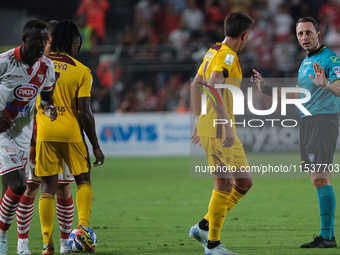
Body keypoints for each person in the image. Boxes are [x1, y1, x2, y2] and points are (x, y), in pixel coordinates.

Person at [252, 17, 340, 248]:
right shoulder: (305, 63)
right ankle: (327, 236)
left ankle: (328, 237)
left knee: (320, 178)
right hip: (308, 122)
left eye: (308, 33)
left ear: (318, 34)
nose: (304, 38)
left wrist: (326, 85)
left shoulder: (329, 58)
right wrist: (267, 89)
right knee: (317, 179)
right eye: (300, 34)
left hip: (323, 121)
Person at [35, 19, 104, 255]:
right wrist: (95, 146)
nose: (78, 48)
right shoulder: (82, 70)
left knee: (47, 187)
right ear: (73, 42)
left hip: (44, 132)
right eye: (78, 44)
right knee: (83, 180)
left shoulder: (38, 65)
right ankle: (82, 229)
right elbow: (85, 113)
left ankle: (47, 245)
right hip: (71, 132)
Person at [190, 12, 254, 255]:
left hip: (219, 126)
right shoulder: (227, 56)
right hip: (219, 129)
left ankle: (204, 225)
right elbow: (213, 83)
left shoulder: (213, 51)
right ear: (244, 35)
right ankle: (213, 246)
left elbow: (196, 84)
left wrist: (198, 118)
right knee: (224, 184)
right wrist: (223, 123)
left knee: (244, 182)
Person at [16, 20, 75, 255]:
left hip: (59, 137)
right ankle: (22, 244)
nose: (48, 44)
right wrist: (29, 137)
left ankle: (64, 244)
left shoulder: (57, 68)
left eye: (50, 40)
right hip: (34, 136)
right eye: (46, 40)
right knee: (30, 187)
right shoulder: (32, 66)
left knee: (63, 188)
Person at [0, 19, 56, 255]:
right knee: (20, 183)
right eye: (36, 41)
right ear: (24, 40)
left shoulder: (46, 67)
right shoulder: (4, 62)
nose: (41, 45)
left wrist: (49, 108)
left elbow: (47, 96)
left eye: (44, 41)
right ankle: (2, 240)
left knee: (11, 193)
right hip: (2, 134)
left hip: (23, 136)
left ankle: (16, 244)